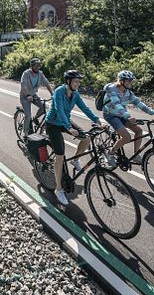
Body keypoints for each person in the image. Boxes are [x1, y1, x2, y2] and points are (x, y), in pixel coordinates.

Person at [45, 69, 107, 206]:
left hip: (66, 121)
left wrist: (98, 120)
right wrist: (69, 128)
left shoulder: (75, 94)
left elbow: (85, 109)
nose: (78, 84)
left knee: (86, 139)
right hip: (53, 124)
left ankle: (75, 160)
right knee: (60, 156)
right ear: (68, 82)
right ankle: (59, 189)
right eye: (76, 81)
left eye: (79, 82)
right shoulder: (59, 92)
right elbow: (59, 110)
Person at [102, 70, 154, 167]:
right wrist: (128, 116)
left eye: (131, 81)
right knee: (127, 137)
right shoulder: (112, 89)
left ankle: (135, 155)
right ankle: (110, 153)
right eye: (128, 81)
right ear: (121, 81)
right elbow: (117, 104)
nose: (130, 83)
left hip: (122, 115)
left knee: (139, 131)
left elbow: (139, 104)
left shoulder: (128, 93)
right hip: (111, 115)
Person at [19, 58, 54, 135]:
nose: (38, 67)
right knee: (28, 115)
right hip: (25, 96)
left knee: (43, 107)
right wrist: (27, 95)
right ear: (31, 66)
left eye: (39, 65)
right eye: (36, 66)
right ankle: (25, 133)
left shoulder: (40, 74)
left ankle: (35, 119)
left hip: (33, 95)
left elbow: (47, 83)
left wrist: (52, 94)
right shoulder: (26, 74)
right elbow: (23, 85)